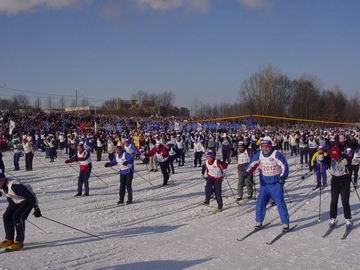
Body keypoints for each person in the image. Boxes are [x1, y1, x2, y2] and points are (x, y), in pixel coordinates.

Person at [246, 137, 290, 232]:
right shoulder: (259, 154)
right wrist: (247, 172)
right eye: (263, 147)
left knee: (280, 203)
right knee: (260, 202)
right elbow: (252, 164)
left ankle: (285, 223)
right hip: (264, 184)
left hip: (276, 184)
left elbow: (284, 166)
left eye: (267, 147)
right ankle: (259, 221)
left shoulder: (276, 154)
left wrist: (282, 177)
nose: (265, 149)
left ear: (270, 147)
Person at [0, 170, 42, 251]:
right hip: (16, 200)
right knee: (6, 216)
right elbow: (7, 193)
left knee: (17, 217)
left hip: (27, 201)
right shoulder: (2, 186)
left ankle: (19, 241)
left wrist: (36, 208)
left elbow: (31, 197)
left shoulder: (15, 185)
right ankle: (9, 239)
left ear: (2, 180)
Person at [327, 146, 352, 229]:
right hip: (334, 181)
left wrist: (348, 164)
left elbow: (350, 169)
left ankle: (348, 219)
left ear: (339, 154)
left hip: (344, 181)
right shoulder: (329, 157)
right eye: (333, 156)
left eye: (336, 156)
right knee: (333, 201)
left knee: (345, 201)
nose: (335, 158)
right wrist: (320, 160)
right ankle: (333, 218)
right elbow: (321, 162)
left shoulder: (345, 157)